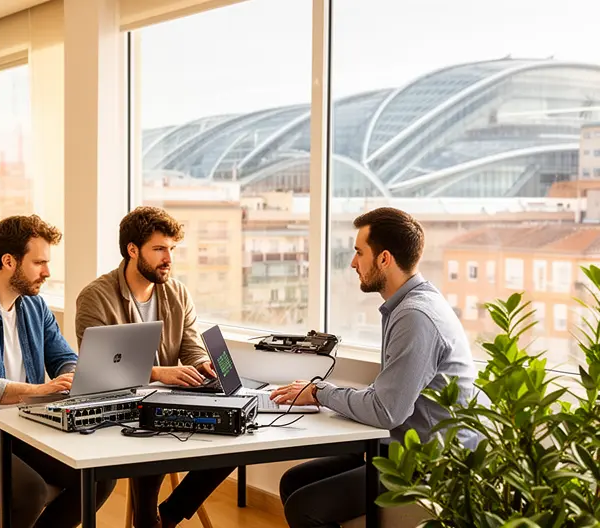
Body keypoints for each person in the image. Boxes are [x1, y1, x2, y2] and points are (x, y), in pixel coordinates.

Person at [270, 207, 478, 528]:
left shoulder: (415, 316)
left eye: (358, 252)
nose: (353, 263)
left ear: (383, 259)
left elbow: (386, 411)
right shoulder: (407, 305)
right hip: (406, 447)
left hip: (431, 462)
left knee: (304, 506)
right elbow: (389, 396)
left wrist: (319, 392)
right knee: (293, 481)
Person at [0, 214, 115, 528]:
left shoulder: (35, 306)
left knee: (97, 477)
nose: (47, 272)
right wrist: (37, 390)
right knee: (30, 491)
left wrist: (71, 376)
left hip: (24, 428)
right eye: (39, 262)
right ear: (9, 261)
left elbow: (64, 357)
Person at [75, 206, 232, 528]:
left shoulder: (177, 292)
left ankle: (169, 514)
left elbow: (190, 345)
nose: (168, 258)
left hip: (167, 398)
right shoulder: (95, 297)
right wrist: (158, 373)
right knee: (153, 433)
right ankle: (147, 520)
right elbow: (100, 366)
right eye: (159, 249)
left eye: (172, 249)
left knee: (234, 432)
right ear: (133, 250)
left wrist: (204, 366)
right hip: (119, 402)